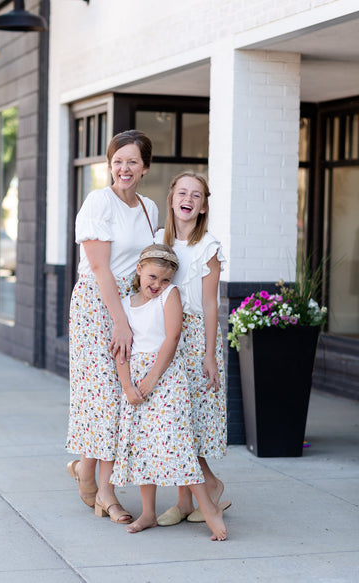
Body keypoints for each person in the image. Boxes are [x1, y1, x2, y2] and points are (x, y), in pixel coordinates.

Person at [66, 130, 158, 525]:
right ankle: (105, 491)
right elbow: (101, 268)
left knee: (120, 397)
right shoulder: (98, 202)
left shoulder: (150, 208)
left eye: (132, 162)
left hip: (132, 304)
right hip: (97, 306)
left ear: (145, 168)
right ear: (110, 164)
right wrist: (119, 322)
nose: (124, 168)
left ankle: (87, 470)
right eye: (118, 161)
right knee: (103, 394)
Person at [110, 244, 227, 540]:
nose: (157, 285)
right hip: (135, 378)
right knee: (141, 444)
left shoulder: (169, 297)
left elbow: (172, 338)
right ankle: (148, 513)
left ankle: (208, 507)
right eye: (152, 277)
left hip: (164, 378)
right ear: (139, 270)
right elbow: (120, 350)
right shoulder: (125, 305)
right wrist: (127, 385)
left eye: (164, 280)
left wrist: (151, 379)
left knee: (177, 441)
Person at [154, 171, 229, 527]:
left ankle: (200, 490)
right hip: (164, 337)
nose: (188, 199)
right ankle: (191, 496)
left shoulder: (208, 247)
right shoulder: (158, 241)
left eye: (196, 195)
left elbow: (212, 305)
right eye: (182, 192)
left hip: (195, 337)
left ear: (202, 207)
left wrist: (210, 354)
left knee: (191, 421)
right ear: (172, 198)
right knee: (171, 420)